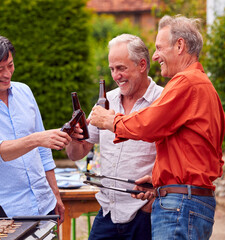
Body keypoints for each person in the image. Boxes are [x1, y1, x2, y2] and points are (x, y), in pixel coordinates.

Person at [90, 15, 225, 240]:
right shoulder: (203, 86)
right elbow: (202, 153)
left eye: (159, 48)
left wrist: (110, 121)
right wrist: (159, 178)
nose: (154, 56)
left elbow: (148, 124)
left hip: (181, 204)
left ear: (180, 46)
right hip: (187, 201)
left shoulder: (186, 83)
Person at [0, 34, 71, 222]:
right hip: (7, 212)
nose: (7, 74)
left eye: (10, 65)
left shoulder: (24, 91)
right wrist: (36, 139)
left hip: (46, 204)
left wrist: (55, 194)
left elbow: (44, 151)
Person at [66, 34, 163, 240]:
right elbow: (77, 153)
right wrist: (74, 138)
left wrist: (150, 205)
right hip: (108, 213)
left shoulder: (162, 100)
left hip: (145, 214)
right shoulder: (106, 100)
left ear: (142, 65)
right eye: (112, 69)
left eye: (121, 68)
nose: (116, 76)